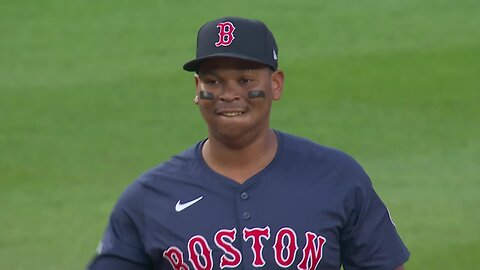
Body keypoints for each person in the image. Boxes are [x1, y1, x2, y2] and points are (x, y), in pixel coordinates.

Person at [88, 16, 410, 270]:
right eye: (213, 81)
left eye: (245, 80)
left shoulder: (338, 178)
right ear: (197, 88)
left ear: (276, 84)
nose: (229, 95)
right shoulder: (149, 198)